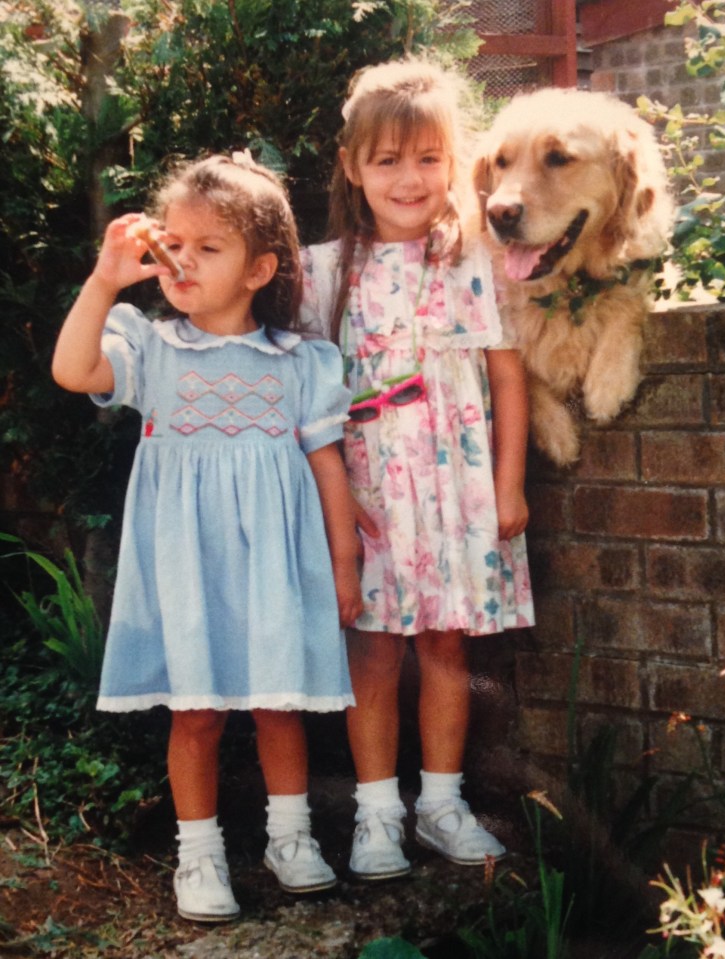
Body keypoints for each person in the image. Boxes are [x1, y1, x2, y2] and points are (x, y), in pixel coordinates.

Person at [51, 154, 362, 921]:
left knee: (277, 705)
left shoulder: (299, 363)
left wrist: (345, 565)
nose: (181, 260)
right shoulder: (151, 349)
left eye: (208, 247)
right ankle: (199, 855)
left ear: (260, 269)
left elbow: (327, 469)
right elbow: (70, 369)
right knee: (195, 714)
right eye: (173, 243)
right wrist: (104, 279)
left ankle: (290, 839)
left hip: (272, 572)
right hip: (187, 571)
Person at [299, 59, 535, 881]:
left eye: (428, 158)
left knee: (444, 643)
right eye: (387, 160)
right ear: (352, 167)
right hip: (366, 495)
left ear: (453, 163)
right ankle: (375, 813)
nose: (408, 178)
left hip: (456, 484)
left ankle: (440, 802)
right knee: (372, 652)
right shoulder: (320, 271)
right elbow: (298, 398)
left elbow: (507, 377)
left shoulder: (474, 257)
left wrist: (506, 485)